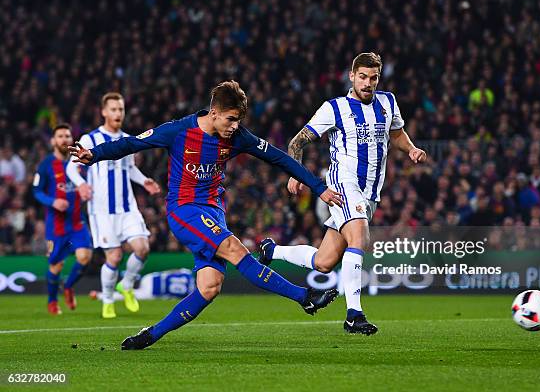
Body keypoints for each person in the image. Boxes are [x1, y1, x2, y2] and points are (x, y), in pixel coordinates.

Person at [69, 80, 343, 350]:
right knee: (235, 249)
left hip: (213, 211)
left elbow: (278, 157)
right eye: (231, 119)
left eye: (239, 120)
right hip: (184, 209)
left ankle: (150, 335)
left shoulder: (238, 136)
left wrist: (318, 188)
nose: (235, 126)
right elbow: (131, 143)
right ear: (214, 113)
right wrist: (93, 155)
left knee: (209, 287)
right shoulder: (178, 131)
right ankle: (305, 296)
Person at [258, 53, 427, 335]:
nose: (368, 83)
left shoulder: (388, 102)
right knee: (359, 238)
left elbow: (396, 133)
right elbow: (298, 140)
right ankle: (354, 315)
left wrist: (410, 149)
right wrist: (294, 173)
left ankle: (271, 250)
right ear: (351, 76)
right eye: (362, 77)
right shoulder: (333, 108)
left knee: (324, 262)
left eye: (373, 78)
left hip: (371, 190)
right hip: (343, 183)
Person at [66, 93, 161, 319]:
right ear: (104, 112)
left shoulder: (128, 139)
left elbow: (129, 169)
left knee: (142, 248)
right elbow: (71, 167)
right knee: (115, 257)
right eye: (114, 109)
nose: (118, 113)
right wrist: (80, 184)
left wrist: (144, 180)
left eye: (121, 109)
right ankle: (107, 300)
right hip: (101, 211)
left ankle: (126, 285)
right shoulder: (90, 139)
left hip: (127, 207)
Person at [33, 124, 93, 315]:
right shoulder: (45, 165)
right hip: (56, 226)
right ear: (53, 141)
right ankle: (52, 301)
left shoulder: (79, 162)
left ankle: (68, 287)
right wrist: (53, 201)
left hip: (77, 222)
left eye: (67, 136)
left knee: (85, 256)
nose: (65, 139)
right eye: (60, 136)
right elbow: (36, 191)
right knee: (56, 265)